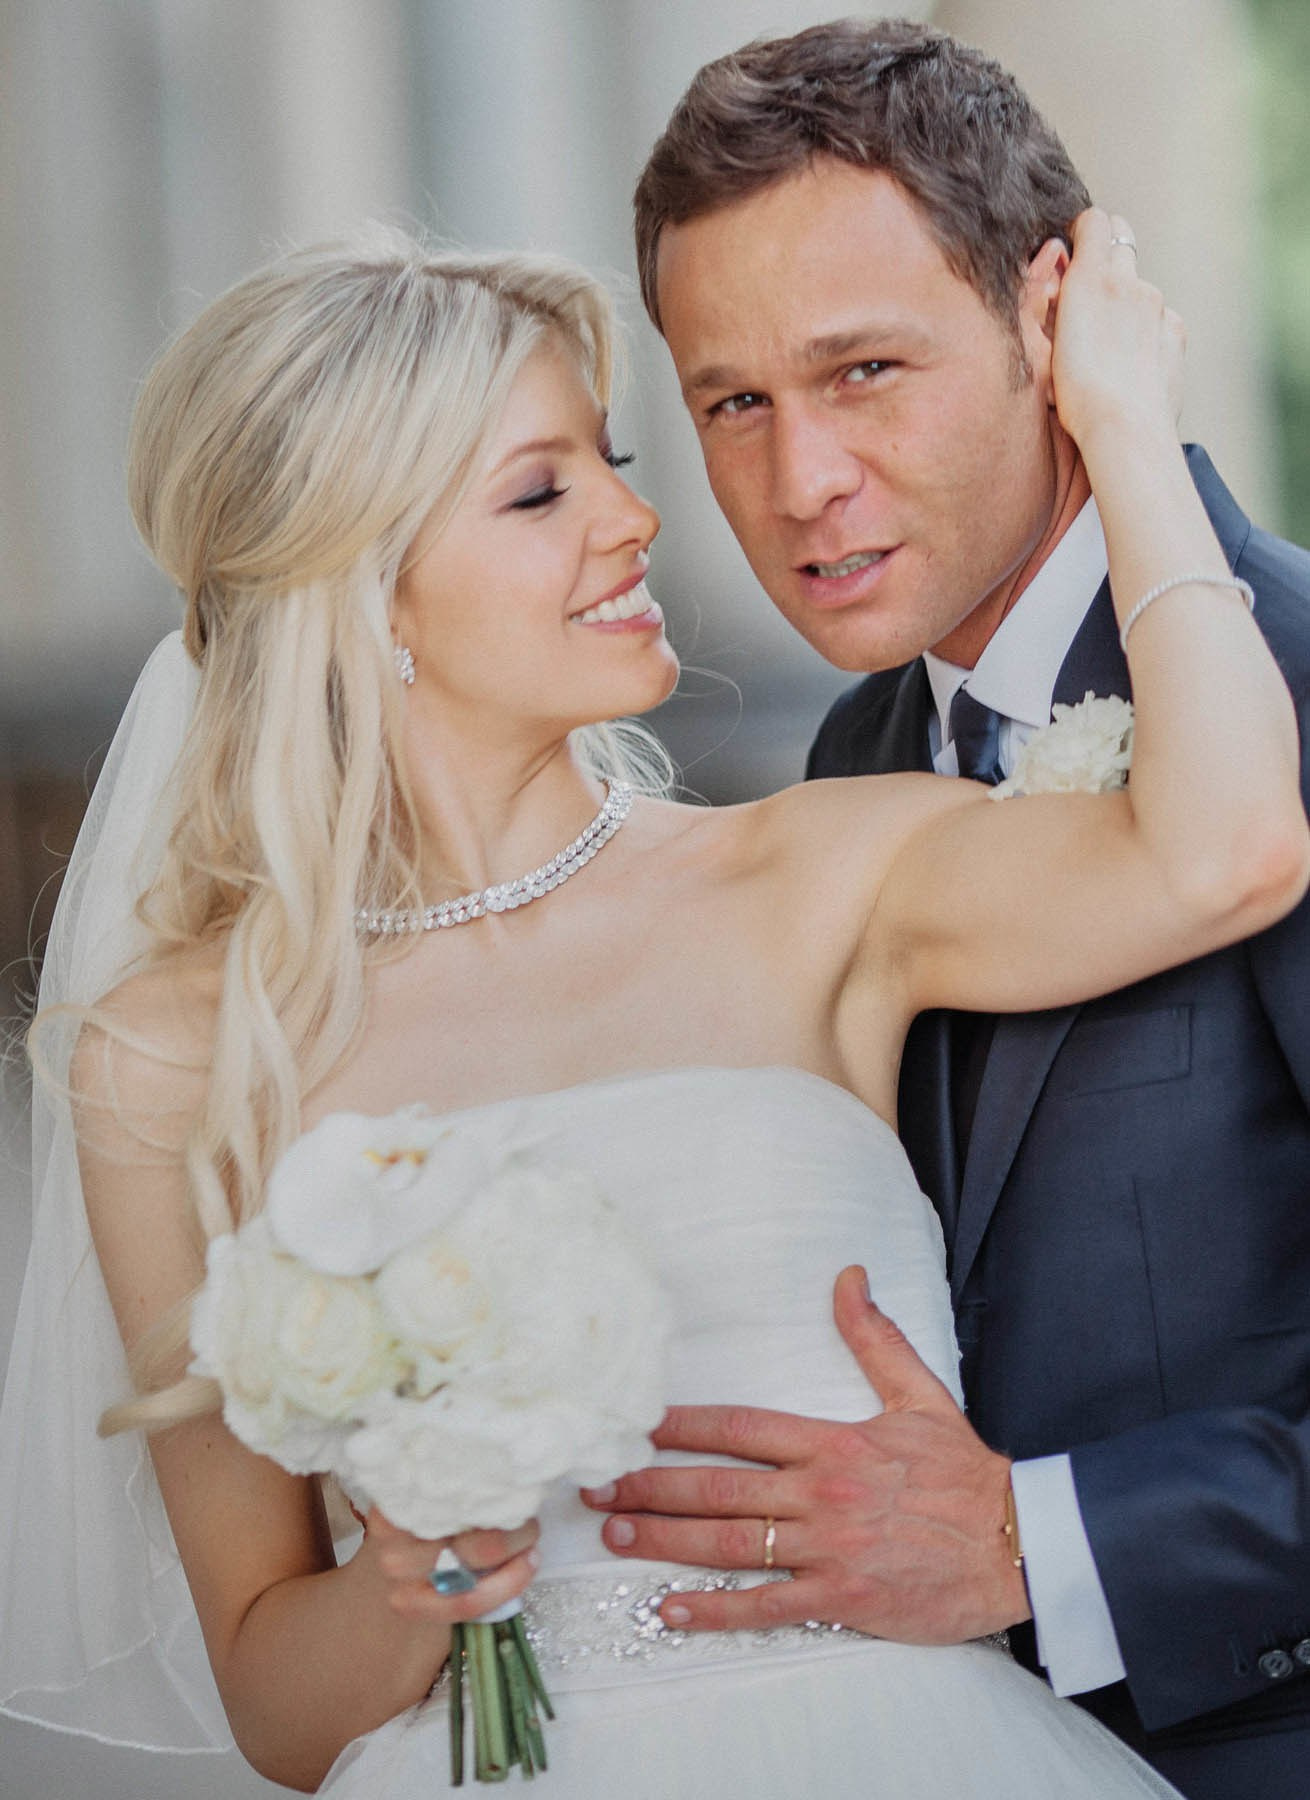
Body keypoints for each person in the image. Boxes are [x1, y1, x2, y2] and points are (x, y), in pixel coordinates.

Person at [0, 216, 1302, 1800]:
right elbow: (277, 1704)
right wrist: (417, 1574)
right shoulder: (173, 1056)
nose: (635, 518)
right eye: (540, 491)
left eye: (610, 463)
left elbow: (1225, 848)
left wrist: (1121, 431)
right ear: (365, 591)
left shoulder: (824, 869)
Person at [593, 18, 1310, 1800]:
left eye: (862, 372)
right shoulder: (851, 757)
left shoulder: (1296, 691)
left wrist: (1034, 1545)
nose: (797, 483)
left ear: (1050, 318)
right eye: (732, 403)